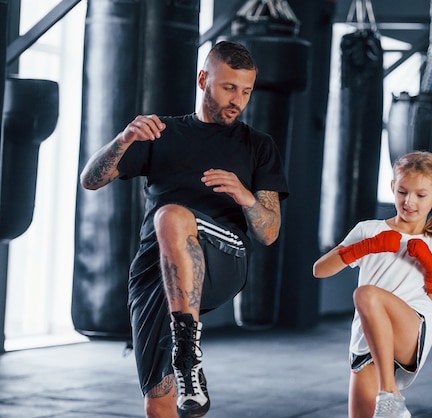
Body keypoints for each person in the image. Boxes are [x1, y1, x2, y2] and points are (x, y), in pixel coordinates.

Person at [80, 40, 289, 418]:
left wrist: (244, 196)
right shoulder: (162, 134)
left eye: (246, 91)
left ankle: (188, 354)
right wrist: (123, 139)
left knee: (171, 216)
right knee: (159, 400)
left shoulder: (258, 146)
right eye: (229, 88)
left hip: (224, 258)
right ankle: (184, 362)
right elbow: (90, 180)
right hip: (155, 273)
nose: (237, 100)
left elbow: (269, 231)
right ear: (203, 79)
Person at [313, 151, 432, 418]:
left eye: (420, 195)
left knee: (366, 294)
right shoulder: (369, 230)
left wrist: (431, 269)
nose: (409, 201)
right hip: (368, 341)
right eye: (402, 191)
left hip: (410, 331)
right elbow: (319, 270)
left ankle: (390, 392)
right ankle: (390, 400)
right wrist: (366, 247)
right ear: (392, 187)